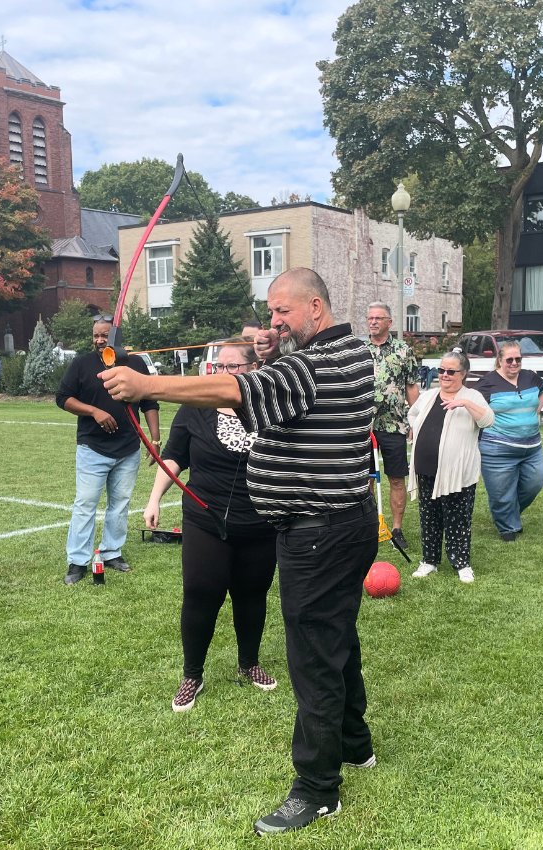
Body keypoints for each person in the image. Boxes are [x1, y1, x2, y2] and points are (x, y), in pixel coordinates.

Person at [100, 267, 377, 837]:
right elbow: (263, 385)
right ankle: (356, 743)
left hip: (317, 531)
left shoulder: (315, 365)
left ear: (316, 309)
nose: (272, 323)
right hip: (346, 522)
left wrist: (147, 385)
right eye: (270, 314)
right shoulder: (352, 352)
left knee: (312, 653)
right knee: (336, 634)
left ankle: (318, 789)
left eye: (283, 312)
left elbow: (237, 390)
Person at [143, 338, 278, 712]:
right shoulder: (196, 406)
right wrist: (154, 499)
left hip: (259, 521)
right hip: (205, 518)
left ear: (254, 370)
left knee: (252, 595)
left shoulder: (269, 407)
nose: (223, 374)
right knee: (201, 592)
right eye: (219, 367)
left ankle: (249, 664)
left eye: (233, 367)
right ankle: (192, 675)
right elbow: (173, 456)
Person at [55, 315, 160, 584]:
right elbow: (63, 398)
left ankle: (112, 552)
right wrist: (94, 412)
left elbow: (149, 402)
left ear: (117, 337)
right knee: (86, 503)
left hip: (128, 448)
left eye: (105, 335)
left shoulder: (134, 364)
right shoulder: (82, 364)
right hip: (93, 447)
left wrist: (155, 440)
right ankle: (78, 561)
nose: (100, 340)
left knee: (120, 503)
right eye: (96, 336)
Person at [406, 351, 494, 582]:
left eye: (450, 371)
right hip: (426, 468)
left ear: (463, 374)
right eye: (441, 370)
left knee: (458, 518)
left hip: (457, 472)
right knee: (429, 516)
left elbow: (488, 420)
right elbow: (412, 415)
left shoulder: (472, 396)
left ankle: (461, 563)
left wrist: (464, 403)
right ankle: (429, 560)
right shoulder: (429, 395)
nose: (444, 375)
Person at [474, 341, 543, 541]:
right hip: (497, 449)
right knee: (501, 493)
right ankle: (507, 527)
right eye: (509, 359)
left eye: (518, 359)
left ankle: (510, 514)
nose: (514, 363)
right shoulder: (486, 383)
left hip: (532, 447)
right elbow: (475, 408)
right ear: (500, 360)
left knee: (535, 482)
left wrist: (536, 410)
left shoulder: (530, 377)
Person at [364, 301, 419, 551]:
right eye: (370, 318)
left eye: (378, 318)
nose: (373, 322)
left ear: (389, 322)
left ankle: (396, 529)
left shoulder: (403, 350)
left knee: (397, 478)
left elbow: (411, 387)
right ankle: (368, 525)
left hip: (394, 425)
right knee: (365, 479)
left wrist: (416, 420)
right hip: (363, 426)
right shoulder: (359, 350)